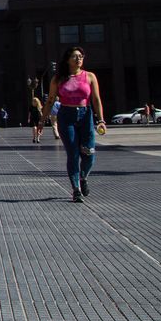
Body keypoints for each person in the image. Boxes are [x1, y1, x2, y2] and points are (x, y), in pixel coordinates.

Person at [44, 46, 106, 203]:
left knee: (89, 153)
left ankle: (83, 177)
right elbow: (50, 100)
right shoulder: (58, 79)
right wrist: (40, 121)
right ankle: (76, 189)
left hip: (86, 116)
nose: (79, 59)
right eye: (75, 56)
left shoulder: (90, 76)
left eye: (81, 56)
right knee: (73, 154)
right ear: (67, 60)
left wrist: (101, 120)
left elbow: (96, 100)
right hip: (66, 117)